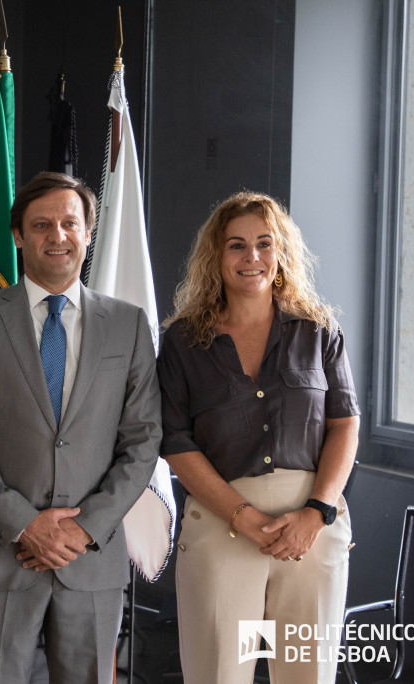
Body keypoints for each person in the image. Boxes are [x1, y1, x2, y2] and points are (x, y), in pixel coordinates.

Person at [0, 171, 161, 684]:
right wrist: (24, 523)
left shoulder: (129, 324)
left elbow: (143, 441)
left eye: (70, 223)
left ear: (88, 232)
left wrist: (84, 527)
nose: (58, 235)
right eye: (41, 225)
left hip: (91, 558)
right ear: (18, 235)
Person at [157, 191, 360, 684]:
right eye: (237, 245)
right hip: (222, 523)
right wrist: (242, 516)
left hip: (310, 527)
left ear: (281, 253)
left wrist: (318, 513)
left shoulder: (319, 331)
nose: (252, 257)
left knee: (308, 675)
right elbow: (176, 441)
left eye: (265, 244)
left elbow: (344, 423)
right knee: (217, 674)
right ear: (216, 257)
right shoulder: (183, 342)